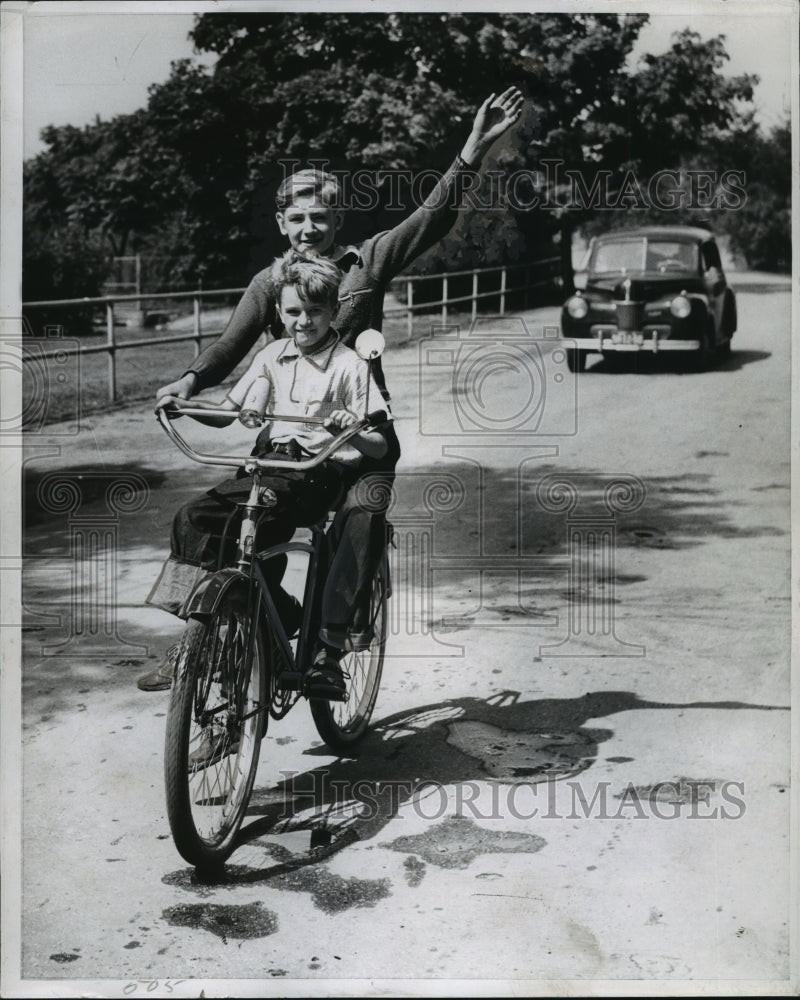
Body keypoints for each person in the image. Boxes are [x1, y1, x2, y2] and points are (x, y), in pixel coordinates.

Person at [138, 86, 524, 690]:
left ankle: (327, 654)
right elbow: (229, 348)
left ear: (335, 221)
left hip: (358, 443)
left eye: (320, 217)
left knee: (360, 522)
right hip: (290, 446)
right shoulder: (271, 284)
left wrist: (471, 150)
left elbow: (433, 217)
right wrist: (188, 381)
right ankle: (225, 627)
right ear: (280, 223)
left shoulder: (365, 264)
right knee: (203, 523)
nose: (308, 228)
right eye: (297, 218)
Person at [149, 252, 389, 700]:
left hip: (315, 471)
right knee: (192, 518)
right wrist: (182, 405)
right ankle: (211, 631)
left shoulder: (351, 365)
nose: (304, 322)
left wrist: (350, 428)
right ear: (278, 312)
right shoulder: (272, 355)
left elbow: (379, 445)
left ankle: (252, 629)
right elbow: (225, 415)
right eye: (293, 311)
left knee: (259, 507)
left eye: (315, 311)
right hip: (270, 468)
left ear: (334, 310)